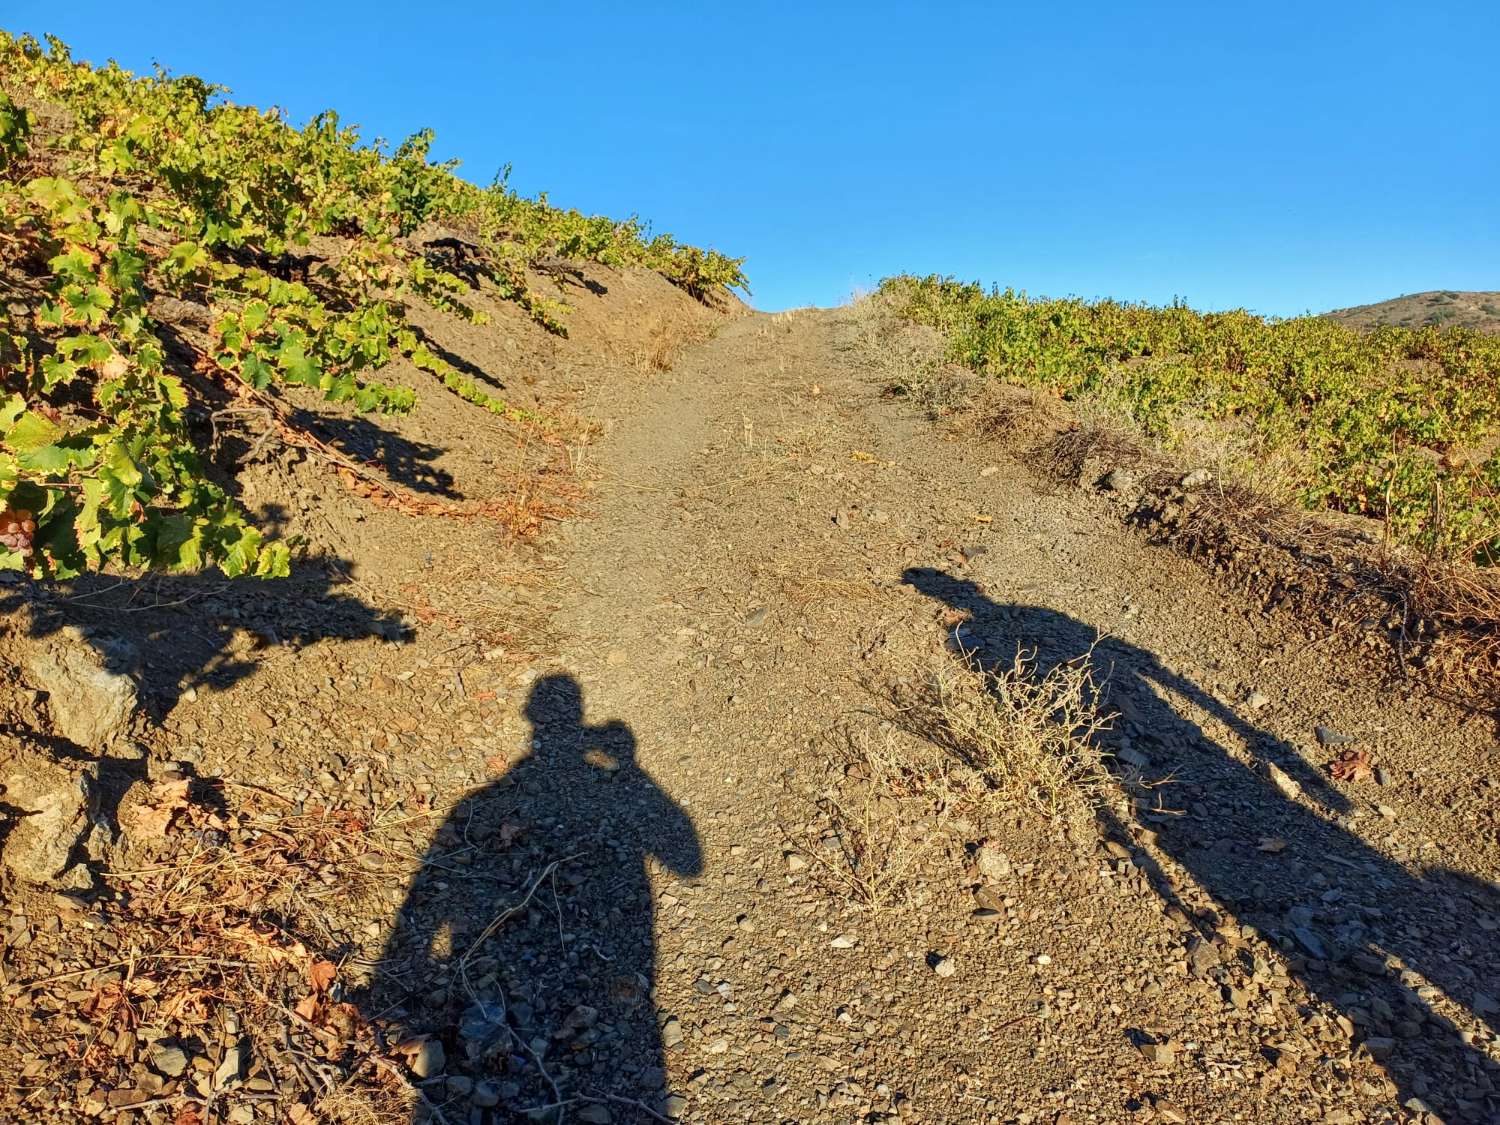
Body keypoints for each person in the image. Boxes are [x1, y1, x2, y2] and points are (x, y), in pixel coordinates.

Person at [903, 567, 1499, 1122]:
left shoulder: (985, 634)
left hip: (1175, 760)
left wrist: (1255, 739)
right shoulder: (996, 628)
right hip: (1173, 756)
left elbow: (1162, 676)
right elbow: (1164, 678)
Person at [368, 674, 702, 1122]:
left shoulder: (481, 799)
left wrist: (398, 971)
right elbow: (688, 860)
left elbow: (424, 899)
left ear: (529, 719)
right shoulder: (494, 798)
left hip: (489, 970)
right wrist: (629, 769)